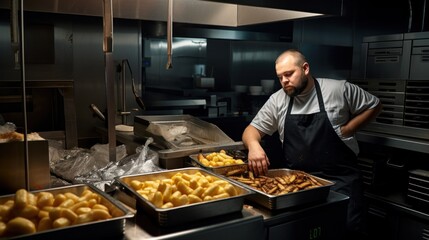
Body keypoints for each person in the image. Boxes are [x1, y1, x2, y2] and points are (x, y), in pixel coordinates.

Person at [242, 49, 382, 238]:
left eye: (289, 74)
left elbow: (374, 104)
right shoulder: (277, 100)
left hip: (341, 181)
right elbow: (251, 131)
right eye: (280, 77)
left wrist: (348, 129)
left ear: (305, 68)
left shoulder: (338, 89)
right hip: (299, 185)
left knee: (346, 232)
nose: (284, 81)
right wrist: (254, 146)